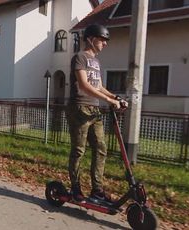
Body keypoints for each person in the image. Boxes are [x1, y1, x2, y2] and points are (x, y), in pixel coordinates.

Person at [67, 24, 128, 203]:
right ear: (90, 39)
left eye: (105, 41)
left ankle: (97, 190)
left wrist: (115, 96)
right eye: (102, 40)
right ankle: (75, 188)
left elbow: (98, 86)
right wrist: (109, 101)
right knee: (79, 151)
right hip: (79, 108)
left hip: (94, 110)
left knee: (101, 148)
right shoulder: (79, 57)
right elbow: (85, 85)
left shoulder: (96, 62)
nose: (105, 44)